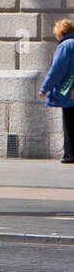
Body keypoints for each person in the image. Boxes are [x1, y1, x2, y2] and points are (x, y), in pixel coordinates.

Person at [39, 18, 74, 163]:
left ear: (60, 33)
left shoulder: (65, 46)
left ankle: (70, 154)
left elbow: (56, 71)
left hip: (70, 92)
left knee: (69, 122)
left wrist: (44, 88)